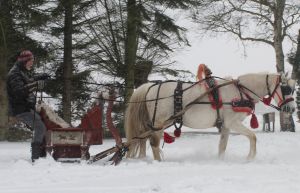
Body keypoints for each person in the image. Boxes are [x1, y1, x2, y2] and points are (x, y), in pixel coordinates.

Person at [6, 50, 50, 162]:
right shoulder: (14, 73)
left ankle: (41, 153)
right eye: (31, 61)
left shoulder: (21, 71)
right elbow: (19, 92)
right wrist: (36, 85)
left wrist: (40, 77)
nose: (32, 63)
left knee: (42, 123)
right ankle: (36, 158)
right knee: (40, 127)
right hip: (21, 109)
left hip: (26, 107)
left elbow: (28, 80)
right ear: (25, 61)